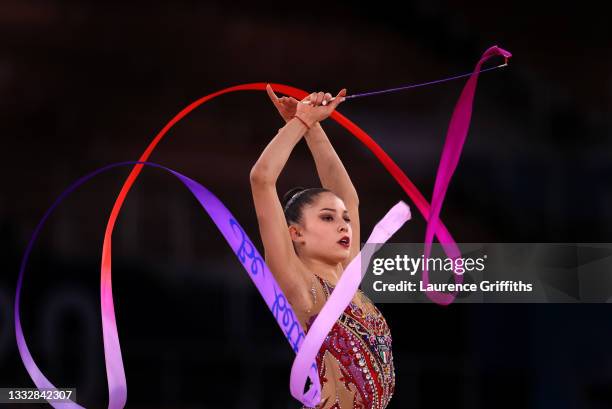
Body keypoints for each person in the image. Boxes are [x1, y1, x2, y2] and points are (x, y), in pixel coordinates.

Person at [249, 85, 395, 409]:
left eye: (343, 219)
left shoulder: (348, 280)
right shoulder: (303, 289)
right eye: (328, 218)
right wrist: (299, 122)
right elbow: (261, 178)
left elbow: (349, 198)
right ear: (296, 234)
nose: (344, 224)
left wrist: (313, 127)